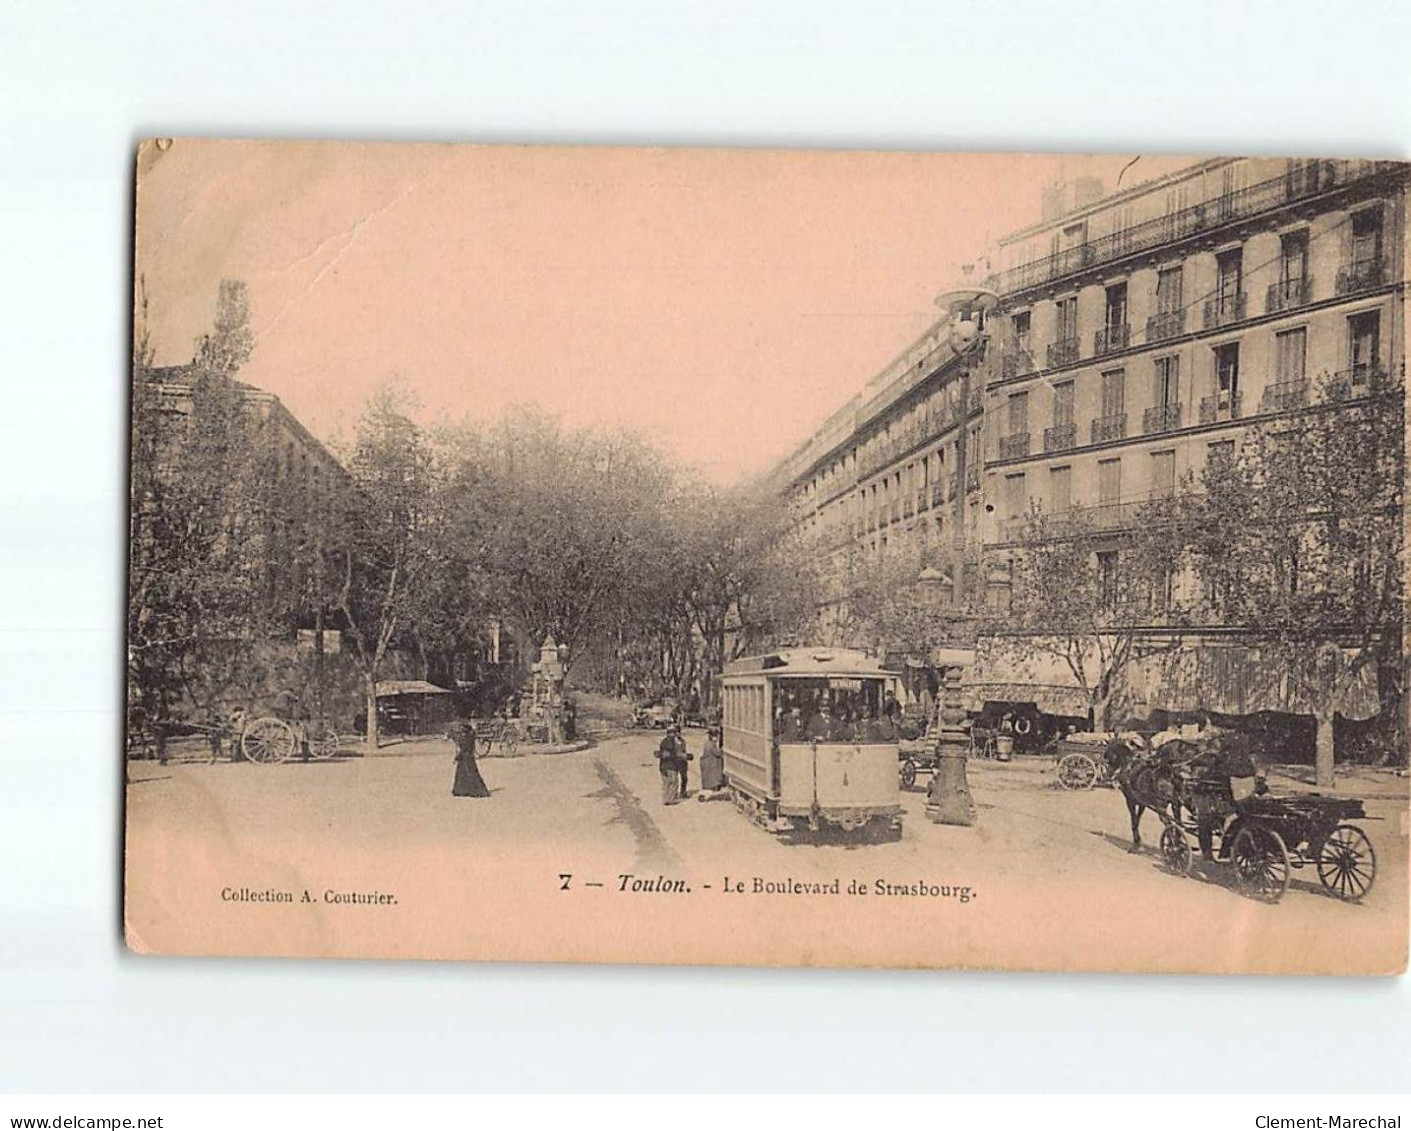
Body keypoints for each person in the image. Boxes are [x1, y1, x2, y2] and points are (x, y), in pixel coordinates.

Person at [448, 720, 490, 798]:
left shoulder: (463, 738)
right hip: (470, 757)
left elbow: (461, 748)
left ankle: (463, 790)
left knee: (463, 774)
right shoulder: (471, 736)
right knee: (472, 773)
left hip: (464, 758)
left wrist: (457, 756)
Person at [657, 726, 690, 805]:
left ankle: (665, 799)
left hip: (663, 766)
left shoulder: (664, 741)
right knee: (674, 782)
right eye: (674, 733)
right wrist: (683, 755)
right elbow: (674, 754)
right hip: (671, 766)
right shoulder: (672, 742)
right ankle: (671, 799)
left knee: (666, 783)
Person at [699, 726, 725, 792]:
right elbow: (717, 753)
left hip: (709, 764)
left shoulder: (710, 743)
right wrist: (722, 750)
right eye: (714, 735)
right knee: (711, 780)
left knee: (710, 779)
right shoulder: (710, 745)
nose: (715, 737)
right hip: (710, 765)